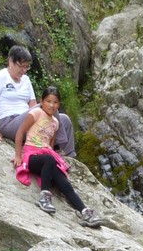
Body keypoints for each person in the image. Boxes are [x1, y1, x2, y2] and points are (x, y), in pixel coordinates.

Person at [14, 88, 101, 226]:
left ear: (59, 104)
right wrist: (18, 155)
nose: (51, 105)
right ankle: (44, 197)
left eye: (55, 102)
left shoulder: (55, 122)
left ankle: (84, 211)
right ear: (41, 101)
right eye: (48, 101)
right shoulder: (36, 113)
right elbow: (20, 132)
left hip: (46, 158)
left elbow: (50, 144)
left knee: (64, 182)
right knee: (49, 159)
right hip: (32, 155)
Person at [0, 44, 75, 156]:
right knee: (49, 106)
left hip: (28, 120)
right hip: (9, 123)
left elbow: (33, 105)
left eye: (27, 67)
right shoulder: (0, 77)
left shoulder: (26, 80)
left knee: (64, 120)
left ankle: (69, 156)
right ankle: (53, 146)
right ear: (11, 61)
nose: (24, 70)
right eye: (22, 66)